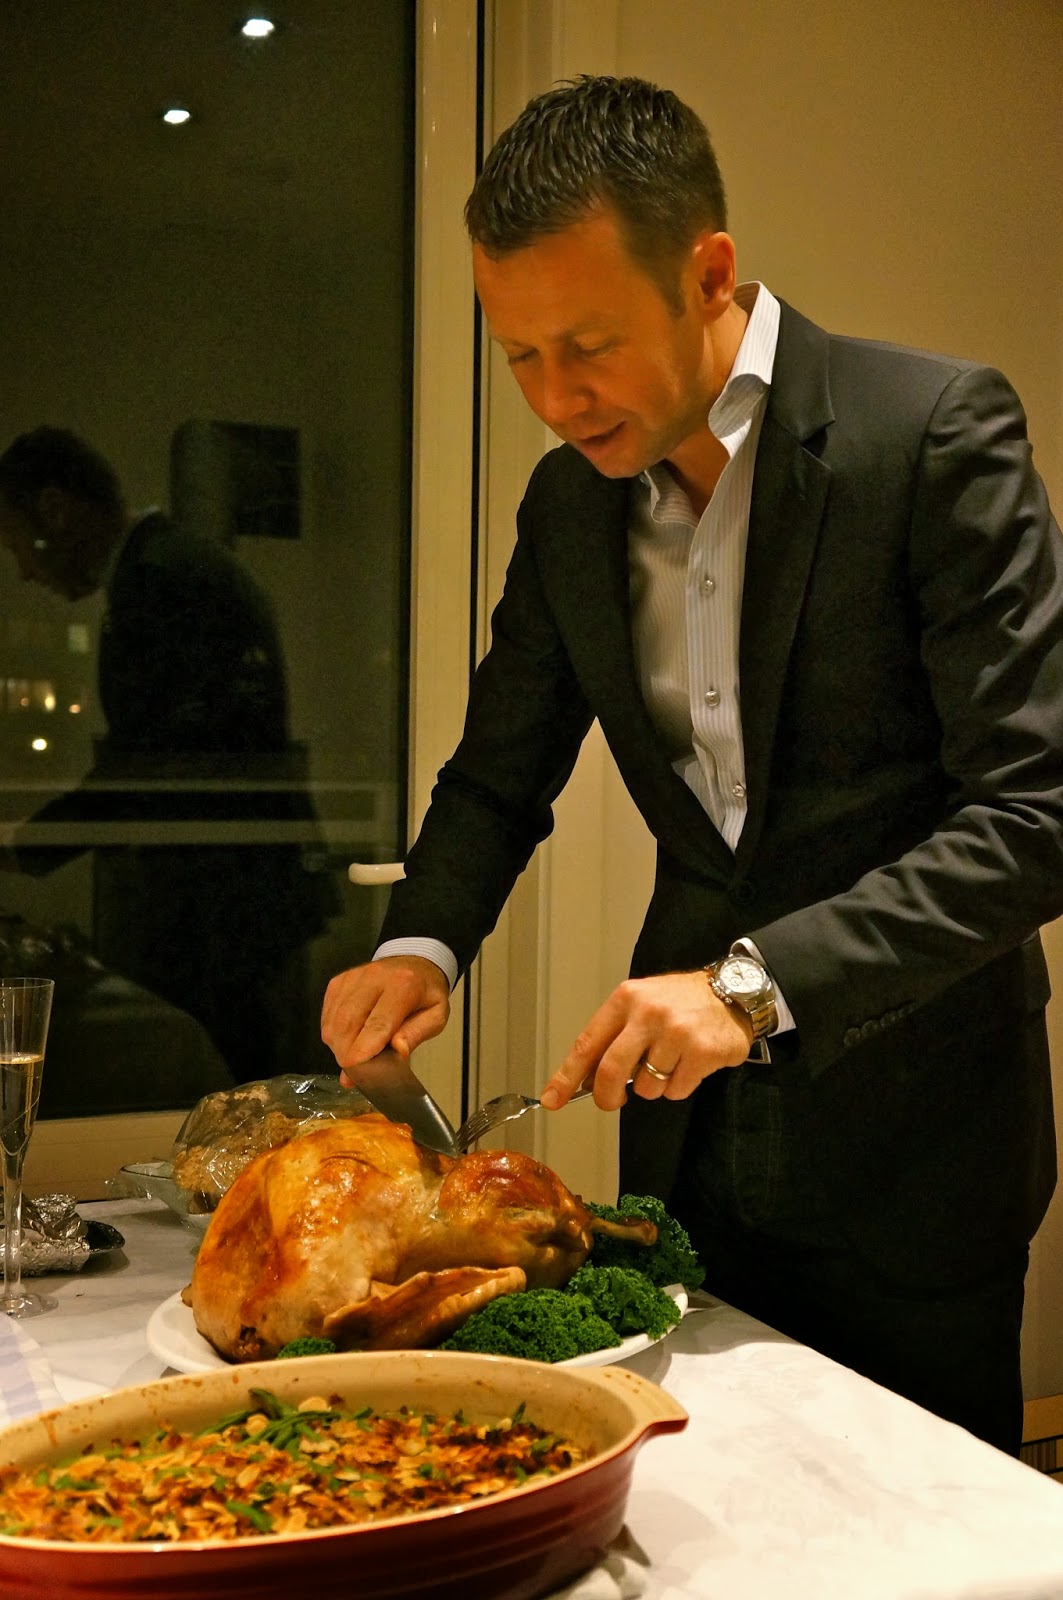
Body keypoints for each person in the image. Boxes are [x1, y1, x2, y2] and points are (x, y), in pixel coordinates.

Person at [321, 76, 1063, 1454]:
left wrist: (750, 986)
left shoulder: (927, 436)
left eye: (588, 346)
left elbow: (1034, 815)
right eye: (519, 356)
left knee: (924, 1523)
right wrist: (419, 945)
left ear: (708, 273)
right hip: (685, 1141)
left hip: (915, 1136)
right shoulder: (568, 503)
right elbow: (496, 773)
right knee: (696, 1503)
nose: (555, 400)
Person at [0, 427, 338, 1084]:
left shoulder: (160, 580)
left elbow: (151, 765)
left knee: (215, 1081)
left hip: (217, 901)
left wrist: (26, 845)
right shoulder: (170, 566)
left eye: (17, 543)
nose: (24, 570)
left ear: (55, 510)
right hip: (235, 888)